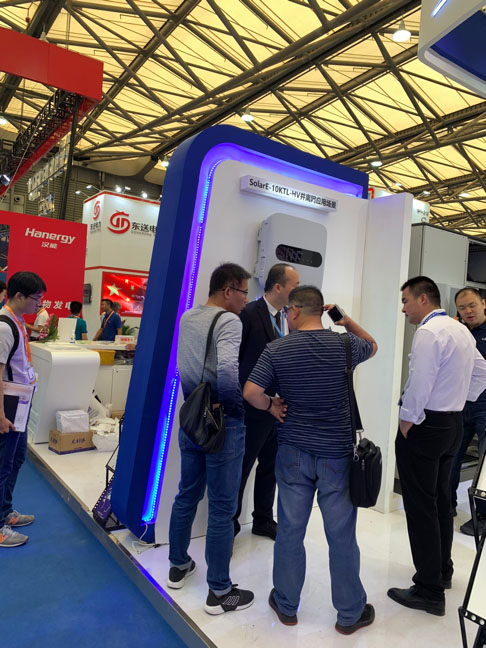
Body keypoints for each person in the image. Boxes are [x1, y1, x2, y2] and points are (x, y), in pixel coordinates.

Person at [244, 285, 377, 633]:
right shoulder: (346, 346)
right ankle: (350, 613)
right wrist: (344, 319)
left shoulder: (277, 349)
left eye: (288, 312)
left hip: (292, 453)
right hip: (336, 455)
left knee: (290, 530)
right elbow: (372, 344)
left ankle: (287, 604)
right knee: (341, 535)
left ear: (295, 311)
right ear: (321, 311)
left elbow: (251, 392)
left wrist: (272, 406)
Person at [388, 276, 486, 617]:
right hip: (453, 424)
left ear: (423, 298)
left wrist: (408, 419)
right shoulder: (461, 330)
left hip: (426, 425)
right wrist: (460, 400)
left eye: (406, 301)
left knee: (421, 505)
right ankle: (442, 571)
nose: (403, 309)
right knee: (442, 500)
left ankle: (429, 589)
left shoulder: (429, 332)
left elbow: (420, 381)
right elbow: (482, 372)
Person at [167, 262, 255, 615]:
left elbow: (183, 366)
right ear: (228, 290)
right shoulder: (230, 321)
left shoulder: (188, 317)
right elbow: (228, 371)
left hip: (192, 417)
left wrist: (199, 400)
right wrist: (235, 410)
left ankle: (178, 565)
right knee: (222, 506)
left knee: (187, 493)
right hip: (222, 423)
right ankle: (219, 592)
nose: (246, 300)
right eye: (244, 292)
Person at [234, 263, 300, 540]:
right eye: (295, 286)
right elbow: (236, 360)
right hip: (253, 406)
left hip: (280, 408)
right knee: (242, 467)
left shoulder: (290, 317)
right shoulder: (249, 313)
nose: (298, 290)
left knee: (271, 466)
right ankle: (230, 524)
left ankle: (263, 519)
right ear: (278, 287)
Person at [0, 271, 46, 547]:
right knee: (2, 464)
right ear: (19, 296)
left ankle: (5, 511)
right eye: (36, 299)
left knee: (16, 459)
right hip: (8, 405)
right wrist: (0, 415)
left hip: (21, 402)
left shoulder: (17, 322)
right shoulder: (4, 326)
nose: (38, 305)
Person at [450, 287, 486, 536]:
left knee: (484, 462)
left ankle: (482, 516)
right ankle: (446, 504)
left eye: (472, 305)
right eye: (462, 308)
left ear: (483, 304)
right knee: (451, 456)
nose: (468, 311)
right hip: (459, 404)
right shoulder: (457, 331)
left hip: (485, 406)